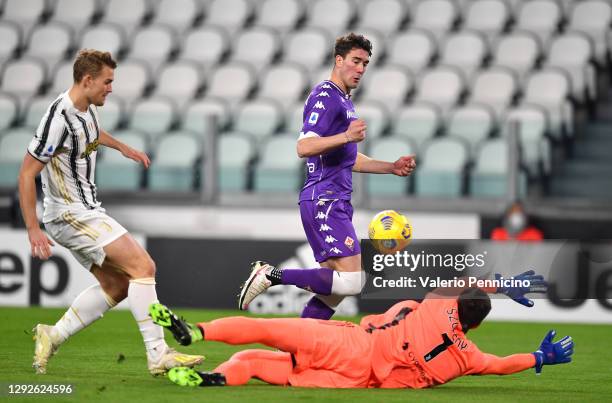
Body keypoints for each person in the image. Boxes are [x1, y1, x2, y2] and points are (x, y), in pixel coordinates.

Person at [18, 49, 203, 375]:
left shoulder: (86, 109)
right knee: (143, 265)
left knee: (118, 286)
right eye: (107, 81)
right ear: (87, 80)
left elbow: (90, 135)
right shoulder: (57, 120)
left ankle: (53, 334)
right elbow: (26, 173)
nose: (111, 88)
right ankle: (158, 353)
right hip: (68, 213)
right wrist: (33, 228)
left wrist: (122, 147)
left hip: (85, 210)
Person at [239, 33, 417, 319]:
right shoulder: (327, 96)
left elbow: (348, 159)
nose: (361, 69)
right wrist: (346, 135)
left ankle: (299, 353)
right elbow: (304, 146)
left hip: (336, 200)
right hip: (325, 199)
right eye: (356, 61)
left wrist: (391, 167)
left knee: (333, 292)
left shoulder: (344, 101)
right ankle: (271, 274)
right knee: (352, 281)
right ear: (339, 60)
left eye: (365, 64)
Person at [151, 271, 572, 389]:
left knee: (267, 333)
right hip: (357, 379)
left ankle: (198, 332)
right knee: (261, 366)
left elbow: (465, 284)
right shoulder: (468, 358)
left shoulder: (433, 304)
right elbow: (500, 365)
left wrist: (505, 284)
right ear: (475, 325)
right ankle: (214, 379)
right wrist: (540, 358)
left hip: (352, 342)